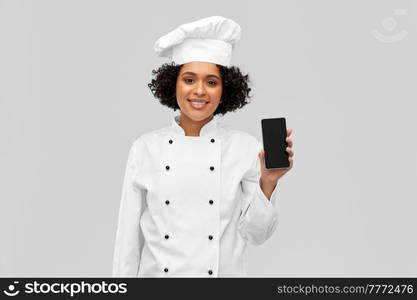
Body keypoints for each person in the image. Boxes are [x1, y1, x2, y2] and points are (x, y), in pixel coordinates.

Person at [112, 16, 294, 277]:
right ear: (173, 83)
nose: (199, 91)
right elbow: (127, 239)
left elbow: (256, 234)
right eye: (189, 79)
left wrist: (268, 181)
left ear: (225, 90)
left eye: (211, 82)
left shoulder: (245, 148)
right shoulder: (145, 148)